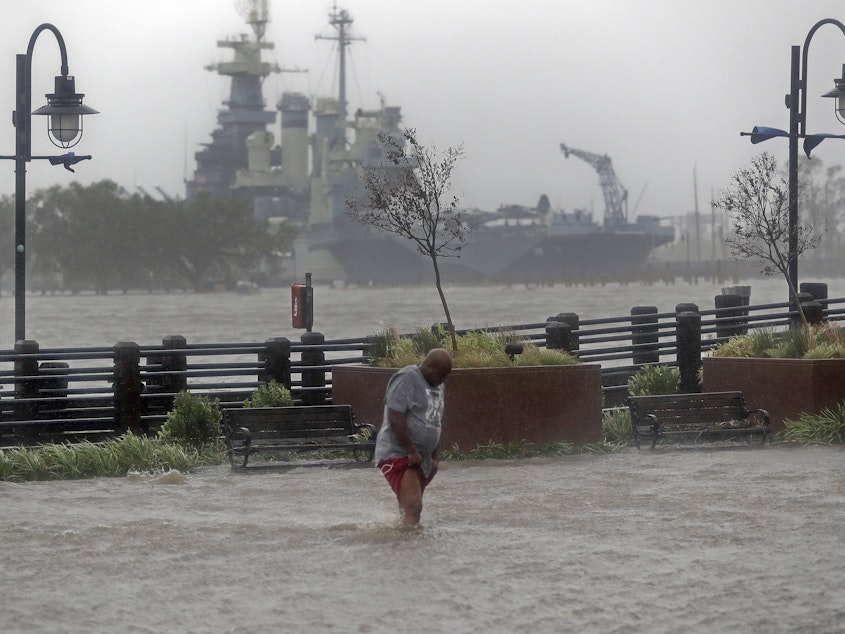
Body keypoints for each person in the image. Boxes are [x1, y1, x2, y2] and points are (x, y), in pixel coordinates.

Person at [374, 347, 452, 526]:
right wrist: (410, 450)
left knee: (411, 511)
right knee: (413, 509)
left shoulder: (439, 385)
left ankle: (404, 546)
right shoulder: (408, 377)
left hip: (421, 459)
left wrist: (435, 456)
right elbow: (395, 415)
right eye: (441, 375)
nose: (443, 380)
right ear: (430, 367)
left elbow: (435, 421)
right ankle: (412, 550)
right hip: (400, 454)